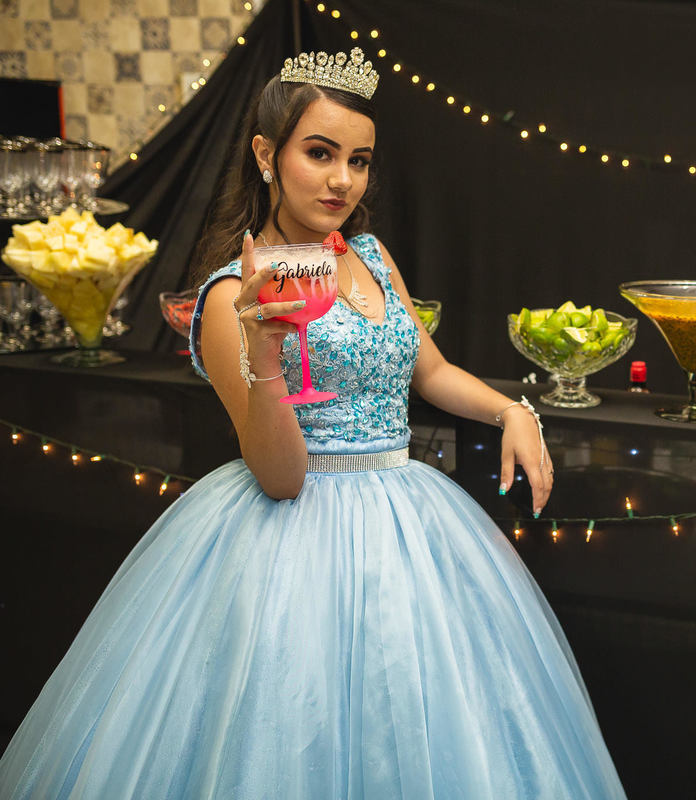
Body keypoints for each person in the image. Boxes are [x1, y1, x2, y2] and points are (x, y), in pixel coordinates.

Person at [0, 47, 627, 799]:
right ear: (267, 154)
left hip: (411, 527)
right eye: (320, 153)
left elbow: (427, 370)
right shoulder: (230, 295)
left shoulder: (368, 253)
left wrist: (511, 409)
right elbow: (282, 477)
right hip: (289, 545)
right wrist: (263, 353)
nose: (342, 180)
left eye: (359, 160)